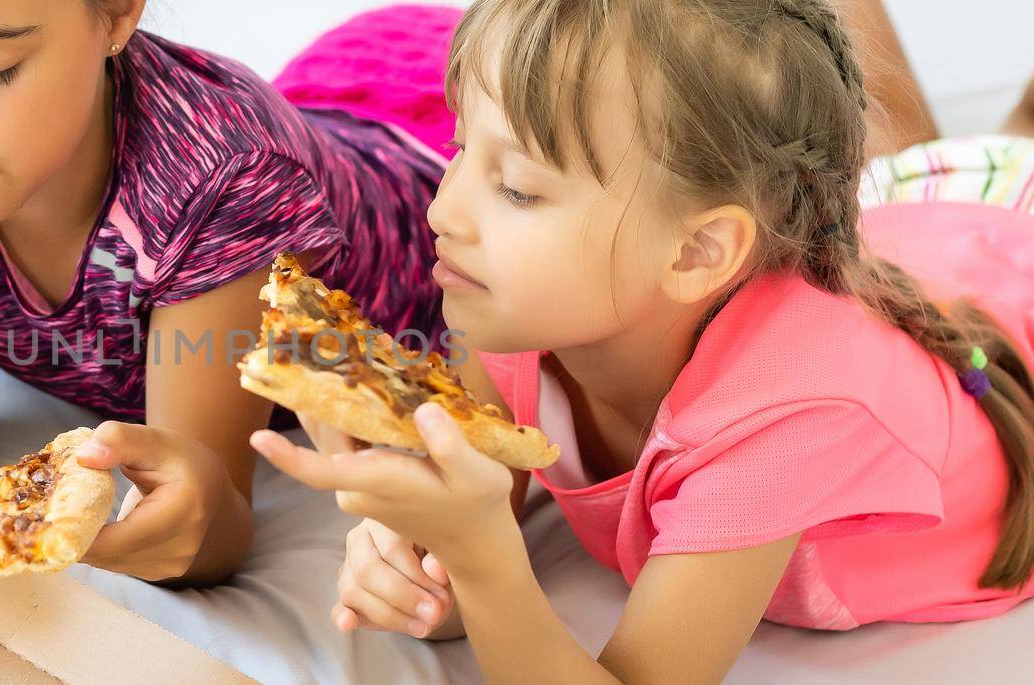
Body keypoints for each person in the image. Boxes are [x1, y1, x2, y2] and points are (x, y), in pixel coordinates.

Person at [251, 0, 1034, 680]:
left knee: (1009, 147)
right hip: (916, 231)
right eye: (461, 149)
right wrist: (418, 558)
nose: (443, 212)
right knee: (932, 161)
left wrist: (484, 554)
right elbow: (462, 573)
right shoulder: (517, 312)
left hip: (1011, 257)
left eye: (517, 187)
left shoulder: (789, 418)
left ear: (696, 253)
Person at [0, 0, 454, 586]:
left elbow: (212, 509)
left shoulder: (221, 182)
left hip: (422, 151)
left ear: (117, 12)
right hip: (315, 117)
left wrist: (190, 516)